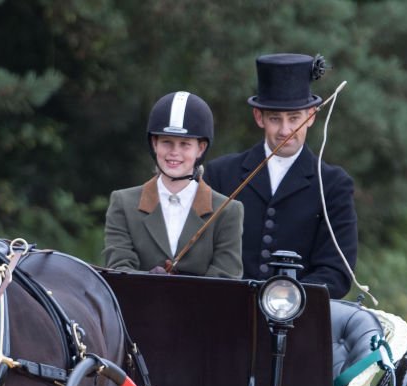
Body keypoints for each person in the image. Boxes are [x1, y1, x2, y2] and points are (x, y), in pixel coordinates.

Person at [203, 53, 357, 298]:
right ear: (259, 117)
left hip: (299, 322)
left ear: (311, 116)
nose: (285, 130)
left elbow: (336, 272)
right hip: (225, 314)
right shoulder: (221, 174)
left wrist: (284, 301)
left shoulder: (333, 185)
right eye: (275, 119)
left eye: (294, 118)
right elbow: (202, 254)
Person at [103, 91, 243, 278]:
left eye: (185, 144)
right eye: (167, 142)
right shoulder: (123, 203)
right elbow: (118, 268)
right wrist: (148, 283)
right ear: (154, 143)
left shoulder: (227, 211)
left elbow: (226, 277)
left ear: (200, 148)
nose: (174, 152)